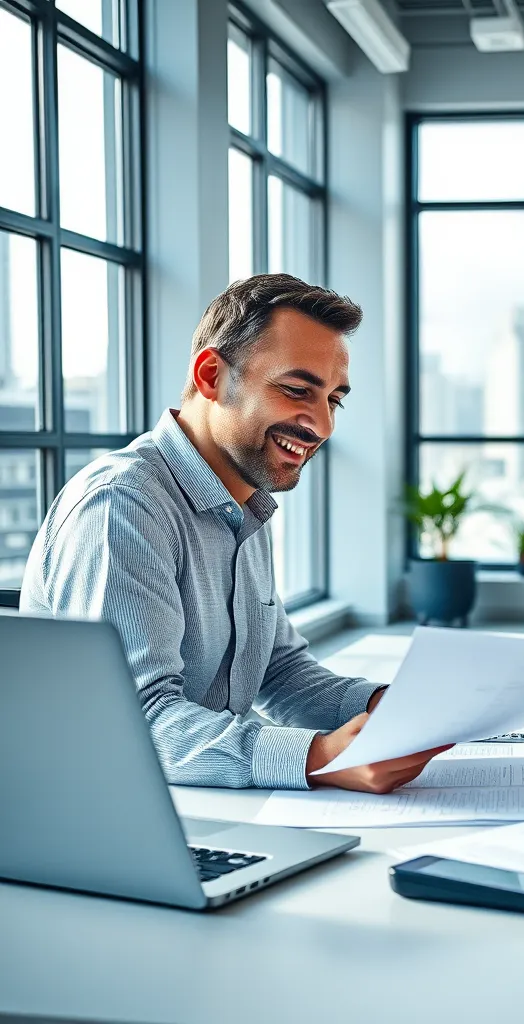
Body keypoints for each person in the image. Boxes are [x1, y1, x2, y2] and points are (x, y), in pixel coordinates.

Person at [21, 274, 449, 793]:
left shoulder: (245, 501)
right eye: (297, 390)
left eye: (333, 400)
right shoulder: (122, 507)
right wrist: (317, 758)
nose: (322, 425)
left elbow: (278, 670)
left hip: (202, 800)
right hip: (112, 809)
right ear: (211, 376)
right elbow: (134, 723)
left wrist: (388, 705)